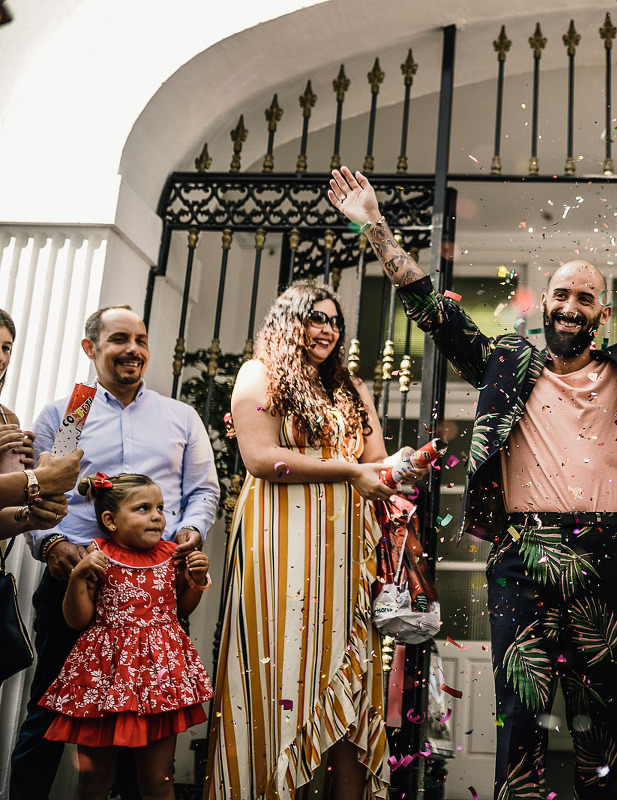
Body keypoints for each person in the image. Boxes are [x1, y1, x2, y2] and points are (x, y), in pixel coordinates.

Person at [328, 165, 617, 799]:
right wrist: (375, 226)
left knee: (598, 733)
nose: (569, 307)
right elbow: (431, 310)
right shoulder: (507, 361)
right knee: (520, 722)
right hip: (521, 557)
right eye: (560, 295)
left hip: (607, 558)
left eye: (585, 298)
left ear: (601, 313)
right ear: (547, 303)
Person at [206, 282, 424, 800]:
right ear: (288, 321)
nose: (326, 329)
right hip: (281, 543)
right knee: (279, 668)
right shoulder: (260, 374)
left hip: (348, 551)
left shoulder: (352, 387)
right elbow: (260, 459)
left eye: (333, 321)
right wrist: (349, 470)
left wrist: (406, 465)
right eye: (314, 318)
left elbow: (376, 463)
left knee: (346, 676)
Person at [11, 305, 220, 800]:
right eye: (119, 338)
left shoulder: (179, 416)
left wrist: (189, 532)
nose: (133, 350)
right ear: (91, 349)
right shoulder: (67, 415)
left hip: (154, 597)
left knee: (145, 728)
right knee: (46, 711)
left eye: (141, 339)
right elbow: (37, 493)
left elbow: (204, 492)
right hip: (76, 585)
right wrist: (53, 543)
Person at [38, 473, 214, 800]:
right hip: (102, 678)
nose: (157, 516)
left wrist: (196, 578)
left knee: (158, 781)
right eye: (143, 508)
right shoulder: (97, 555)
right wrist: (78, 575)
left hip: (159, 680)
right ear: (110, 520)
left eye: (161, 508)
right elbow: (77, 620)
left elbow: (181, 610)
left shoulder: (172, 554)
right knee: (94, 781)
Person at [0, 308, 74, 538]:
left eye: (6, 348)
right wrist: (39, 479)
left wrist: (30, 516)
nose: (2, 358)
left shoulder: (6, 418)